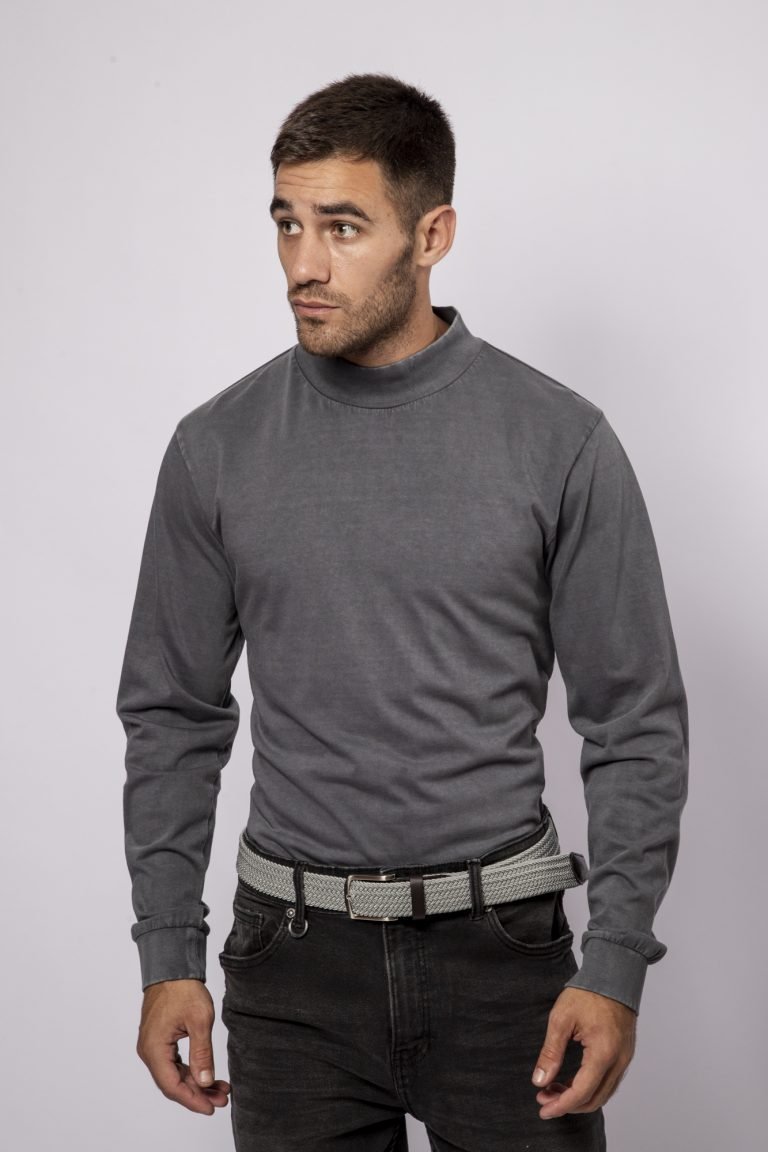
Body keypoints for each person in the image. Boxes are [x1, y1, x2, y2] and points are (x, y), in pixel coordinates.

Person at [115, 72, 689, 1151]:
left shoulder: (559, 440)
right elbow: (172, 714)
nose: (303, 263)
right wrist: (167, 954)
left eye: (342, 227)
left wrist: (614, 963)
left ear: (432, 236)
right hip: (290, 970)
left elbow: (635, 720)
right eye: (287, 223)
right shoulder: (215, 449)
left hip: (506, 965)